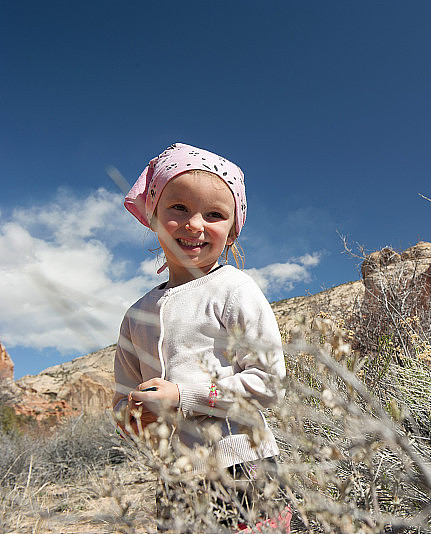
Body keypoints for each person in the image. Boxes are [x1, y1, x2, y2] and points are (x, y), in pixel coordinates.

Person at [112, 142, 291, 532]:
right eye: (179, 208)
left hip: (242, 462)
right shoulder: (136, 316)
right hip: (175, 475)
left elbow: (270, 382)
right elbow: (123, 398)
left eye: (214, 215)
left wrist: (182, 395)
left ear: (231, 232)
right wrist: (135, 416)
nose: (194, 224)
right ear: (153, 215)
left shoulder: (234, 290)